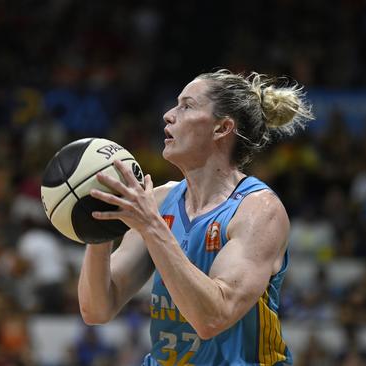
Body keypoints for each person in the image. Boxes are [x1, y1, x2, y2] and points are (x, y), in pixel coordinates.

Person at [78, 69, 314, 365]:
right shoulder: (159, 202)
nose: (168, 115)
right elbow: (96, 310)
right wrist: (97, 225)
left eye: (186, 105)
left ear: (221, 128)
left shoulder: (259, 211)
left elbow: (212, 319)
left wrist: (152, 226)